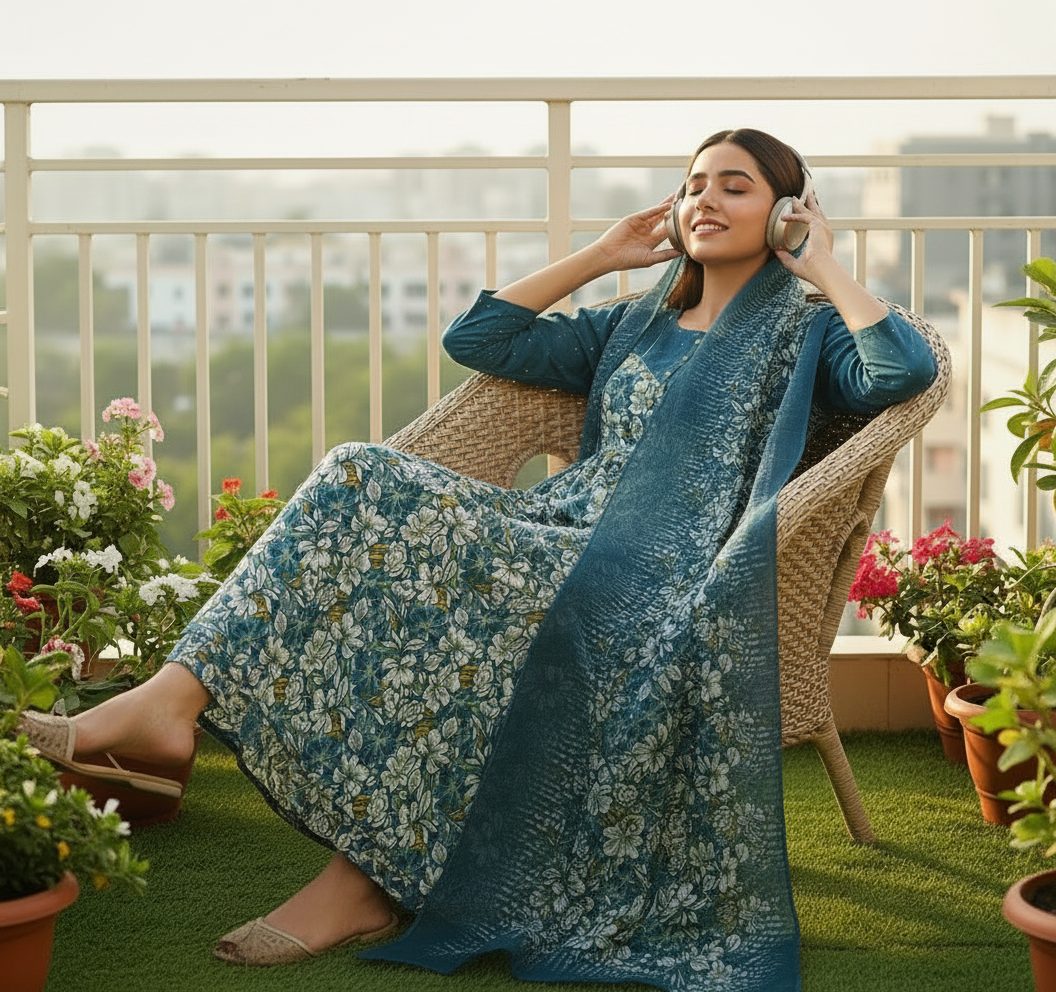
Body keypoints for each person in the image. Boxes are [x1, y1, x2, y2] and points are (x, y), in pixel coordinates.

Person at [18, 128, 936, 990]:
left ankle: (352, 879)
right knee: (358, 478)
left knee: (477, 593)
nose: (705, 200)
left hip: (662, 573)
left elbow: (900, 374)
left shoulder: (807, 331)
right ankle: (170, 710)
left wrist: (820, 261)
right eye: (692, 184)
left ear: (785, 209)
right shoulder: (629, 326)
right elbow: (480, 339)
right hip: (554, 529)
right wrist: (602, 255)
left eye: (736, 187)